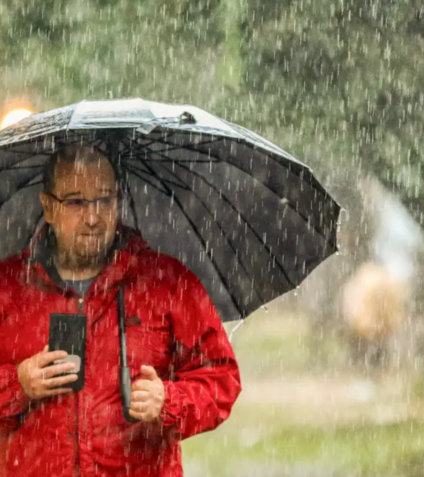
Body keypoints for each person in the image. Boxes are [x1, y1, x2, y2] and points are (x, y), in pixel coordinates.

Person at [0, 144, 242, 476]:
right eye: (75, 201)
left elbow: (220, 377)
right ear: (48, 207)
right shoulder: (7, 287)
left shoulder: (166, 282)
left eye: (104, 199)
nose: (93, 217)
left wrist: (168, 400)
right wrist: (17, 384)